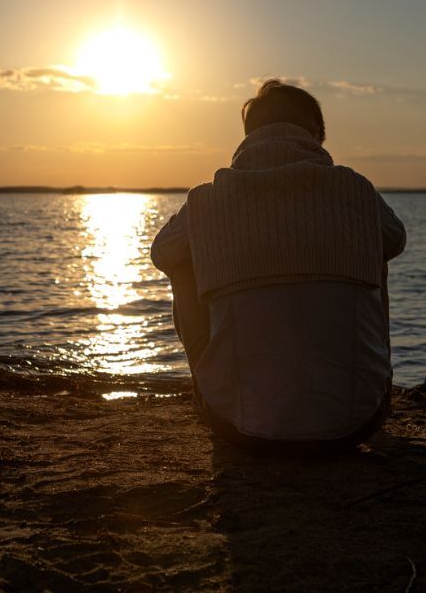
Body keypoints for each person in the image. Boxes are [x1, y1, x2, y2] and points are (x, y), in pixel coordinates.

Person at [151, 79, 406, 454]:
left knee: (181, 261)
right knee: (373, 247)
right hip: (358, 423)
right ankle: (358, 383)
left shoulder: (208, 200)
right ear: (317, 134)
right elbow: (395, 241)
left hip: (239, 427)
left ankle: (214, 387)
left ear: (248, 136)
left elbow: (162, 253)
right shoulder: (356, 190)